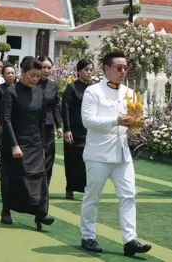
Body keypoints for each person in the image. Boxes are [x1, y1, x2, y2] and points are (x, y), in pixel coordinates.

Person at [80, 51, 151, 256]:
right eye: (118, 67)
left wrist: (135, 124)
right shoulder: (93, 91)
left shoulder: (129, 92)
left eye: (125, 67)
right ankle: (88, 236)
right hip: (99, 153)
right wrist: (116, 120)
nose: (123, 71)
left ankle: (130, 240)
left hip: (122, 153)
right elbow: (88, 121)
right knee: (93, 196)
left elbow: (132, 121)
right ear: (107, 68)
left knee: (128, 195)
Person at [0, 57, 54, 228]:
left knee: (40, 178)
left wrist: (43, 145)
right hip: (14, 142)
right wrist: (14, 144)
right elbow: (6, 120)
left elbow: (42, 119)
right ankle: (6, 209)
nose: (34, 79)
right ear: (22, 73)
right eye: (31, 75)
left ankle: (41, 213)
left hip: (35, 142)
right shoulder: (11, 92)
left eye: (37, 76)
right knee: (14, 178)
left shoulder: (39, 93)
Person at [62, 59, 93, 200]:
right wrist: (67, 129)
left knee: (88, 161)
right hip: (74, 130)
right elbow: (66, 109)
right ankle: (70, 188)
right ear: (79, 71)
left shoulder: (93, 89)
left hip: (90, 130)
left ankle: (86, 188)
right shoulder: (71, 88)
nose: (89, 72)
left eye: (91, 70)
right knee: (72, 160)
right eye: (86, 69)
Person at [37, 56, 62, 186]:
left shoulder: (53, 85)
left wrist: (59, 126)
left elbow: (56, 107)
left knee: (49, 157)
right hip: (34, 126)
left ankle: (45, 186)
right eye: (43, 67)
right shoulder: (31, 83)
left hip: (48, 126)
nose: (46, 70)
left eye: (49, 68)